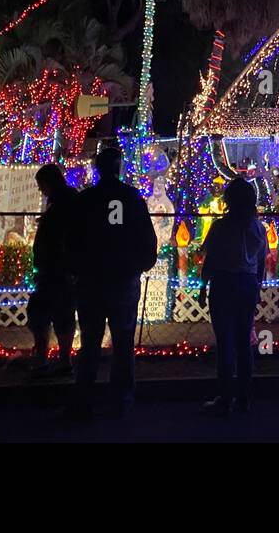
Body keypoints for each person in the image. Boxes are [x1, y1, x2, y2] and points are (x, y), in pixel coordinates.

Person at [71, 144, 158, 416]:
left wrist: (77, 268)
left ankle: (84, 398)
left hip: (92, 279)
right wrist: (140, 264)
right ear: (119, 167)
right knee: (123, 341)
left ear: (97, 168)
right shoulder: (131, 198)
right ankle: (121, 398)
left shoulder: (87, 200)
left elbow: (73, 240)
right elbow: (146, 237)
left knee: (90, 341)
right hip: (122, 278)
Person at [199, 177, 267, 414]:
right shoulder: (258, 227)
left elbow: (211, 258)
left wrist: (202, 286)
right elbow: (261, 262)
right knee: (243, 342)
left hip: (225, 282)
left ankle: (225, 396)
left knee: (225, 342)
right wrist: (257, 286)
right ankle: (244, 397)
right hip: (247, 283)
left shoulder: (221, 226)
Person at [28, 163, 78, 373]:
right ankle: (59, 359)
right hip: (57, 269)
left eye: (42, 185)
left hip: (57, 269)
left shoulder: (63, 203)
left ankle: (49, 360)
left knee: (44, 313)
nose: (41, 190)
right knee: (58, 314)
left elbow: (63, 233)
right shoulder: (63, 201)